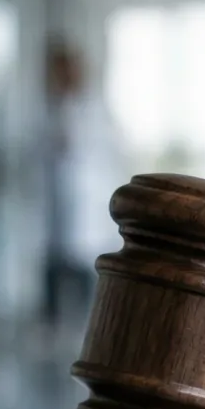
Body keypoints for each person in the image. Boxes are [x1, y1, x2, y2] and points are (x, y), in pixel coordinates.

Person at [42, 39, 122, 327]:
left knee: (86, 264)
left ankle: (90, 323)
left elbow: (106, 151)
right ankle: (56, 324)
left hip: (88, 199)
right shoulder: (50, 108)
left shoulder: (95, 109)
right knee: (56, 264)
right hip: (56, 201)